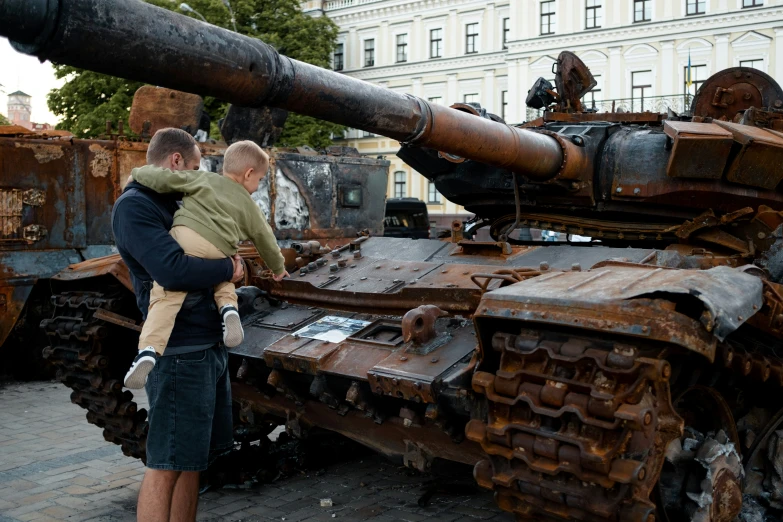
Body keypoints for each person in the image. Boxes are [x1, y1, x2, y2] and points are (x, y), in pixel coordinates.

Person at [111, 128, 244, 522]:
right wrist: (227, 268)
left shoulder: (178, 201)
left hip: (207, 345)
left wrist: (235, 261)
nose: (199, 175)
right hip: (178, 349)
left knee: (191, 461)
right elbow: (172, 270)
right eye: (196, 166)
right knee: (165, 463)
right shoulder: (135, 206)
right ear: (176, 161)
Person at [123, 140, 289, 389]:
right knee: (225, 276)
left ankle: (148, 351)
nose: (258, 186)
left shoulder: (204, 180)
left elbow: (163, 179)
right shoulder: (249, 205)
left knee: (165, 298)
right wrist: (278, 268)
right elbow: (265, 239)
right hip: (221, 247)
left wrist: (138, 172)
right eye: (261, 179)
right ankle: (229, 311)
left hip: (186, 239)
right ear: (249, 174)